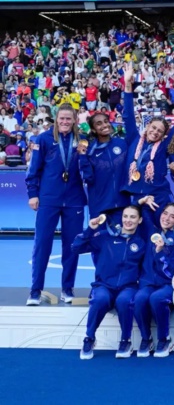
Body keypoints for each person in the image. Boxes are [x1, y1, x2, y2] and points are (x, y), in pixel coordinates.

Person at [26, 103, 87, 305]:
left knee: (72, 246)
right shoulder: (43, 139)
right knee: (42, 244)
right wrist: (33, 194)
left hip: (74, 200)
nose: (65, 122)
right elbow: (33, 170)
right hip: (48, 199)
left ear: (75, 120)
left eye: (69, 118)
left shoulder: (82, 141)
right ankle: (35, 291)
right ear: (56, 119)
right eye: (62, 118)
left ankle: (67, 289)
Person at [121, 67, 174, 226]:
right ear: (147, 126)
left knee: (157, 235)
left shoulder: (164, 146)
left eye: (160, 131)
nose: (155, 132)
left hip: (157, 196)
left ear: (164, 135)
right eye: (153, 128)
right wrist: (128, 86)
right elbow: (128, 115)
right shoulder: (133, 138)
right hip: (135, 196)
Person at [72, 206, 145, 359]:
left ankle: (126, 340)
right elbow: (76, 248)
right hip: (104, 285)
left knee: (124, 301)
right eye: (125, 216)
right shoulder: (104, 236)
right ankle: (89, 338)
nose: (128, 220)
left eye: (133, 217)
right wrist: (90, 229)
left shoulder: (141, 243)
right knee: (100, 299)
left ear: (140, 220)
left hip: (128, 286)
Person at [133, 197, 174, 358]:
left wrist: (160, 252)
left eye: (172, 216)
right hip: (148, 282)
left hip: (166, 284)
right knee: (139, 298)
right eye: (165, 213)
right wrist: (141, 202)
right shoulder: (152, 232)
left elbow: (172, 272)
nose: (167, 218)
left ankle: (164, 338)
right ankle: (146, 338)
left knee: (156, 299)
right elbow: (141, 212)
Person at [78, 105, 131, 222]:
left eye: (106, 121)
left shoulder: (122, 144)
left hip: (123, 205)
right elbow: (88, 178)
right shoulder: (90, 151)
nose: (104, 125)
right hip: (100, 206)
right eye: (99, 123)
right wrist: (82, 157)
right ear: (93, 129)